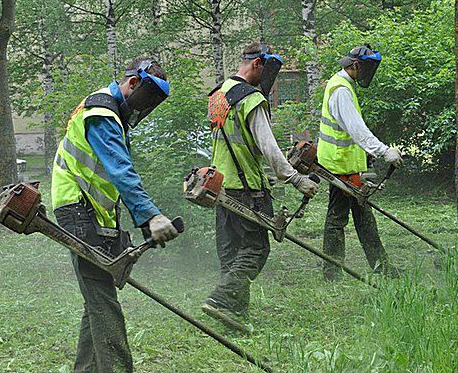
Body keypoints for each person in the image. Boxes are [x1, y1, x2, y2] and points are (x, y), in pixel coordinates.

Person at [51, 57, 179, 373]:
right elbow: (121, 171)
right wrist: (151, 216)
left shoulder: (108, 112)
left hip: (88, 213)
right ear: (132, 84)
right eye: (146, 98)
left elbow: (107, 179)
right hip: (79, 212)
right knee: (104, 304)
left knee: (97, 300)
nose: (145, 107)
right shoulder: (102, 113)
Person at [202, 42, 320, 332]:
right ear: (256, 64)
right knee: (255, 249)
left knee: (231, 253)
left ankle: (235, 318)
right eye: (266, 72)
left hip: (220, 185)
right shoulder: (251, 99)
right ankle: (220, 300)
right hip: (247, 187)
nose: (267, 80)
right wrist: (295, 178)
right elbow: (268, 147)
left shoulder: (218, 94)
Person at [317, 44, 403, 281]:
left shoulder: (343, 84)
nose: (368, 74)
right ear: (355, 65)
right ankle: (332, 273)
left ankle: (381, 268)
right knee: (337, 219)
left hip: (346, 163)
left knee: (363, 215)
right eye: (366, 68)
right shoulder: (341, 90)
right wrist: (384, 152)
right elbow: (357, 130)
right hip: (339, 165)